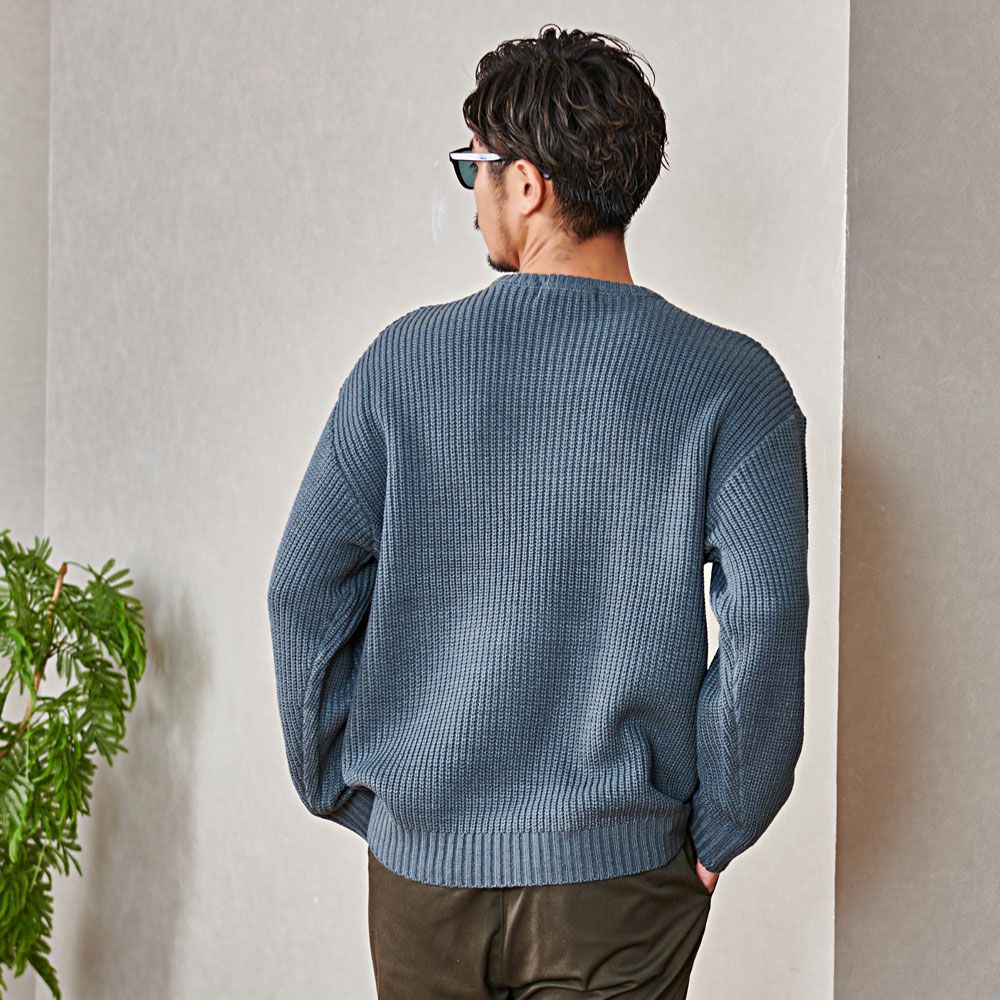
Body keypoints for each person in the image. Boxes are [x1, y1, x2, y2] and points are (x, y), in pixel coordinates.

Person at [267, 24, 809, 1000]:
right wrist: (724, 819)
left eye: (473, 166)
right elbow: (766, 615)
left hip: (423, 874)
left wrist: (346, 784)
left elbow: (304, 589)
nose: (473, 194)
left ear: (526, 184)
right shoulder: (734, 383)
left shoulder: (405, 364)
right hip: (620, 878)